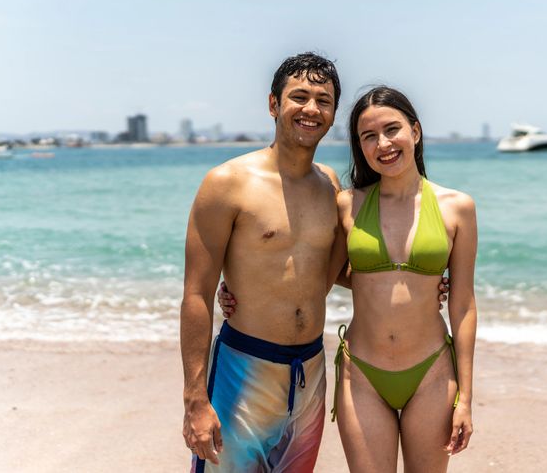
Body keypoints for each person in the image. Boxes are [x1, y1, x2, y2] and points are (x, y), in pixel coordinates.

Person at [181, 53, 447, 473]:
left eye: (323, 100)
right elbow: (195, 294)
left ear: (333, 113)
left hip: (310, 370)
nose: (311, 109)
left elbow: (334, 271)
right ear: (274, 104)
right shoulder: (227, 183)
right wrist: (195, 399)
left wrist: (418, 281)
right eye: (299, 97)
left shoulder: (330, 186)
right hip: (245, 365)